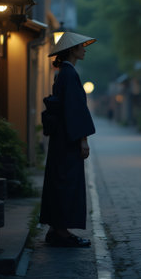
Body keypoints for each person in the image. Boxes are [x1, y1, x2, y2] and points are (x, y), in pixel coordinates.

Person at [40, 32, 96, 247]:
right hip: (68, 140)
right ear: (72, 50)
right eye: (82, 46)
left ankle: (56, 229)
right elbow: (75, 110)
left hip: (61, 139)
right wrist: (83, 140)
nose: (85, 49)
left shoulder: (63, 73)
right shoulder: (69, 74)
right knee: (66, 182)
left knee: (60, 180)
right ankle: (61, 232)